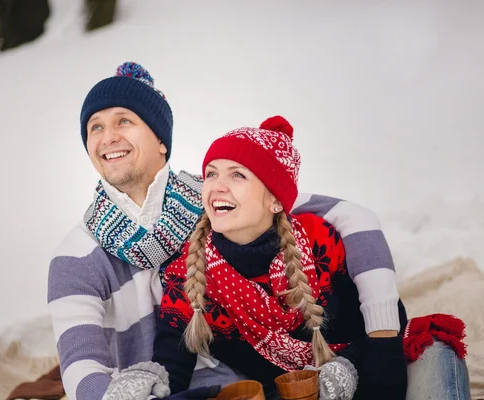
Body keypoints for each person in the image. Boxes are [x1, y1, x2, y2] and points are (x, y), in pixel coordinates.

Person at [47, 62, 404, 400]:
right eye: (95, 126)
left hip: (259, 377)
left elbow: (352, 216)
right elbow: (81, 368)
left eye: (123, 121)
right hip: (173, 389)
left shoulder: (215, 199)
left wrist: (383, 336)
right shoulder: (75, 257)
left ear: (160, 139)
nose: (107, 137)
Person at [151, 116, 408, 399]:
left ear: (275, 200)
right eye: (211, 174)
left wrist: (347, 368)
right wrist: (148, 386)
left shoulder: (318, 241)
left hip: (371, 372)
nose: (217, 186)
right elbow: (170, 373)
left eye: (237, 175)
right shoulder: (189, 271)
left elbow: (385, 321)